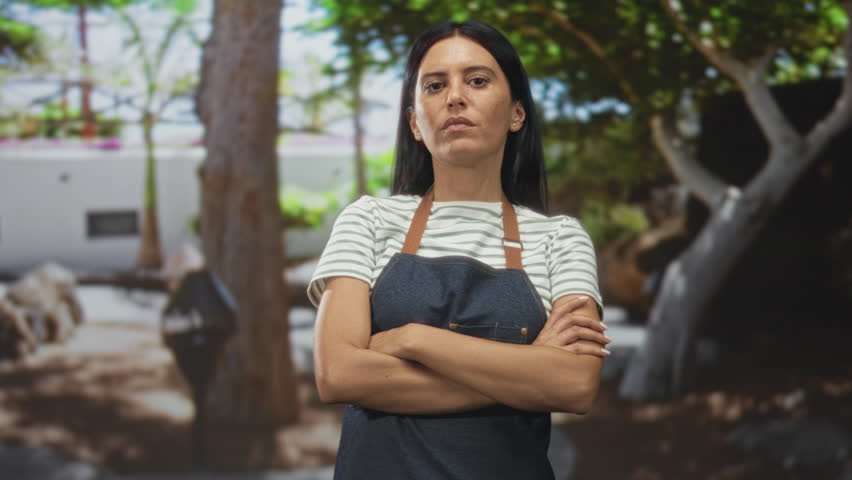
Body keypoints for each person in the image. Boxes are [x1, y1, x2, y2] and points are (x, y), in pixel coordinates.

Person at [307, 19, 609, 480]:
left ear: (516, 114)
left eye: (478, 80)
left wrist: (413, 340)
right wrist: (526, 372)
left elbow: (573, 384)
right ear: (414, 122)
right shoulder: (368, 220)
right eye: (434, 85)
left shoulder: (560, 239)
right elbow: (338, 374)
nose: (454, 97)